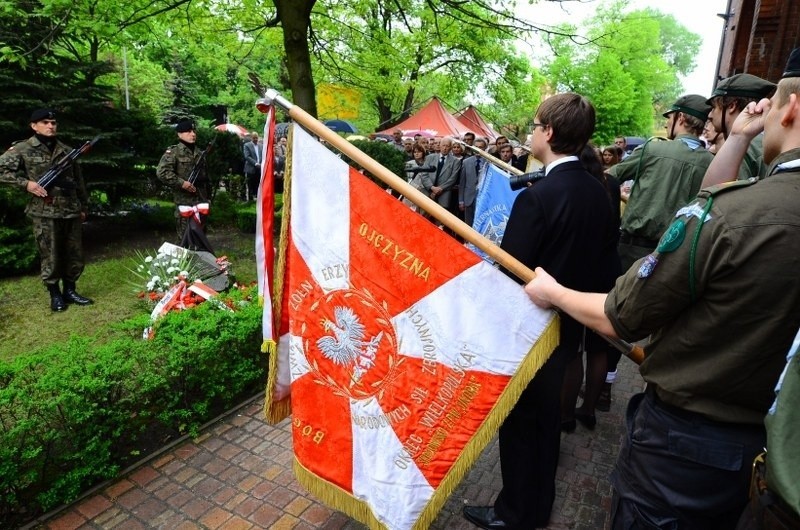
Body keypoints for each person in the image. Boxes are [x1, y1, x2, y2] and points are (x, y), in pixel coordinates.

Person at [523, 51, 800, 528]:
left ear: (789, 110)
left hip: (688, 441)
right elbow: (709, 197)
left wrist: (553, 291)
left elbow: (621, 315)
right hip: (769, 438)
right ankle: (599, 394)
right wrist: (736, 140)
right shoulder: (739, 207)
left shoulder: (734, 212)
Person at [463, 93, 614, 530]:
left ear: (549, 132)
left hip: (529, 330)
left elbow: (512, 274)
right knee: (545, 423)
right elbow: (605, 266)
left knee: (521, 424)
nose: (530, 132)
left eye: (534, 125)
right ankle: (536, 506)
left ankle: (513, 514)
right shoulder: (597, 191)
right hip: (570, 328)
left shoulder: (539, 197)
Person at [0, 108, 93, 311]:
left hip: (70, 210)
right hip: (44, 211)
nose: (50, 126)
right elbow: (2, 170)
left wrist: (83, 206)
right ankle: (55, 294)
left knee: (74, 253)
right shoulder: (22, 149)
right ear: (34, 126)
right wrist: (26, 184)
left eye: (53, 123)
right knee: (50, 254)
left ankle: (70, 290)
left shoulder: (67, 150)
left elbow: (78, 181)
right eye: (45, 122)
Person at [702, 73, 777, 185]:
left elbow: (721, 198)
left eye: (714, 108)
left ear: (732, 106)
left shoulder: (744, 146)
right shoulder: (757, 142)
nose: (709, 115)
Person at [156, 118, 212, 241]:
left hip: (201, 203)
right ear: (179, 134)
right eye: (188, 131)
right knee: (185, 240)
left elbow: (206, 178)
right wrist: (182, 183)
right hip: (185, 204)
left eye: (193, 131)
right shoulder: (173, 152)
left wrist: (208, 199)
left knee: (201, 239)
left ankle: (201, 259)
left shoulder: (199, 153)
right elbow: (162, 172)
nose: (193, 134)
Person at [243, 132, 261, 201]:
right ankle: (250, 200)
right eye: (254, 138)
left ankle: (257, 199)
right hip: (251, 168)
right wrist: (255, 163)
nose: (256, 139)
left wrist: (261, 163)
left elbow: (262, 156)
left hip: (259, 169)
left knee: (258, 184)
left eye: (256, 138)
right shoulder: (247, 145)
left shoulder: (260, 146)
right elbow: (247, 156)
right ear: (251, 138)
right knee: (250, 184)